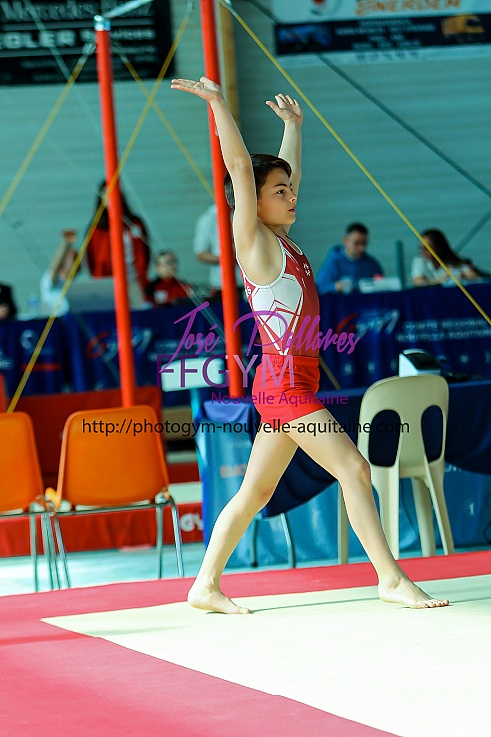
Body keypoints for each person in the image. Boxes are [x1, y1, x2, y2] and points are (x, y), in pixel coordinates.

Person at [171, 75, 448, 612]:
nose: (292, 195)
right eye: (280, 192)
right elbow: (240, 171)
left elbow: (282, 172)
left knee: (255, 492)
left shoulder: (286, 243)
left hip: (291, 381)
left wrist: (293, 128)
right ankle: (390, 578)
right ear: (253, 202)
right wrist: (218, 105)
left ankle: (204, 585)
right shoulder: (253, 243)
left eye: (290, 189)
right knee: (355, 469)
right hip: (284, 386)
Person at [85, 180, 151, 295]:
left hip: (135, 281)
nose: (109, 197)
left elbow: (146, 251)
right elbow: (91, 258)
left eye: (113, 193)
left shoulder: (135, 223)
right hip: (107, 284)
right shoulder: (96, 229)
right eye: (105, 194)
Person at [315, 223, 384, 294]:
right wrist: (336, 287)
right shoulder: (334, 262)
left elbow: (382, 285)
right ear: (346, 240)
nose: (361, 248)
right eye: (357, 243)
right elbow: (320, 287)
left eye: (364, 244)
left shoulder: (372, 263)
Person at [193, 202, 241, 300]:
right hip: (222, 284)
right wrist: (228, 258)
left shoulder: (245, 213)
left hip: (250, 282)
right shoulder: (209, 219)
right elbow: (200, 253)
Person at [411, 228, 484, 286]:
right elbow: (418, 282)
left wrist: (461, 275)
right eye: (421, 248)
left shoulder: (452, 261)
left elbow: (474, 276)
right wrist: (442, 280)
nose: (423, 252)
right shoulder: (419, 262)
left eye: (427, 248)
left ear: (438, 247)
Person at [40, 229, 80, 315]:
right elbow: (55, 266)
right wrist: (66, 243)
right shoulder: (53, 281)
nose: (76, 262)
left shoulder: (78, 286)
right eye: (72, 259)